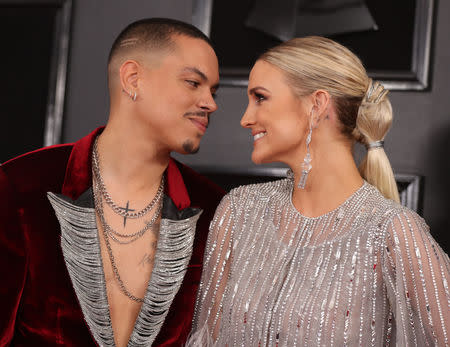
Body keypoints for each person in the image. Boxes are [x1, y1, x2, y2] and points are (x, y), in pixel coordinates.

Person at [190, 37, 450, 346]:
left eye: (260, 97)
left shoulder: (391, 231)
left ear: (317, 105)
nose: (246, 118)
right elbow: (205, 338)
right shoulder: (239, 211)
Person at [0, 18, 224, 346]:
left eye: (213, 91)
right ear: (133, 79)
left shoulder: (215, 210)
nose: (211, 103)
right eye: (193, 83)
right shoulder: (21, 186)